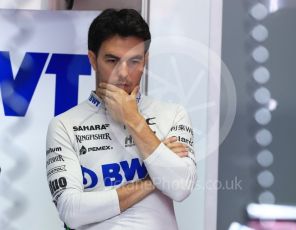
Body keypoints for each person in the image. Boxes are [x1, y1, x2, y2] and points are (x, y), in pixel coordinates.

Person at [46, 8, 196, 230]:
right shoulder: (64, 125)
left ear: (145, 60)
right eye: (112, 60)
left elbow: (181, 186)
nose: (123, 73)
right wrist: (151, 181)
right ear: (93, 60)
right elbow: (72, 211)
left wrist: (134, 120)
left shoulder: (173, 114)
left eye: (134, 60)